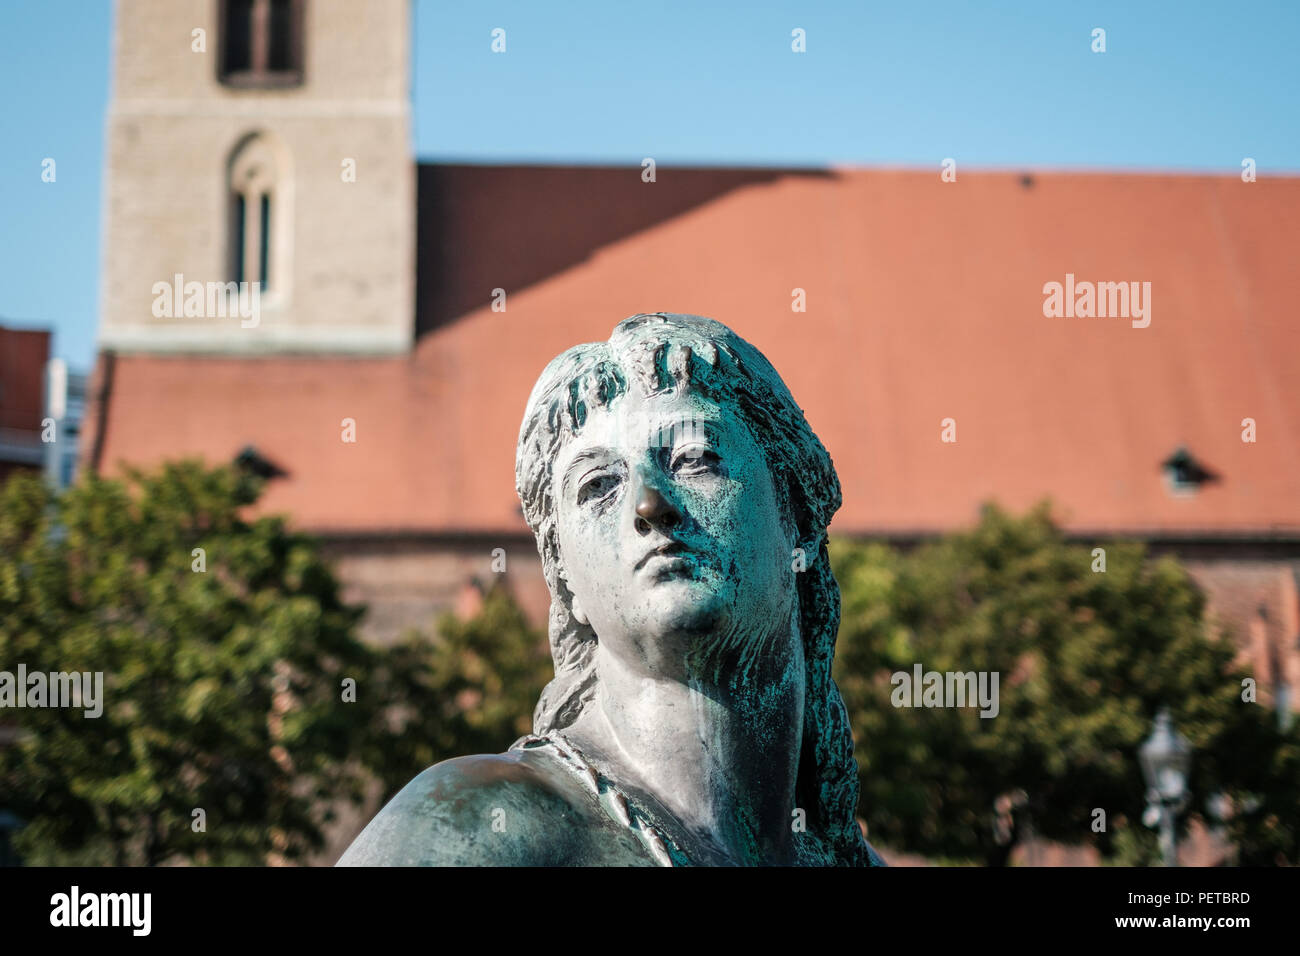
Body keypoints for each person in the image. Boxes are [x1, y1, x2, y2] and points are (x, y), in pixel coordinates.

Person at [338, 313, 884, 866]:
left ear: (798, 514)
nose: (649, 506)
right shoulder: (475, 827)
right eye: (598, 486)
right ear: (564, 575)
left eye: (694, 459)